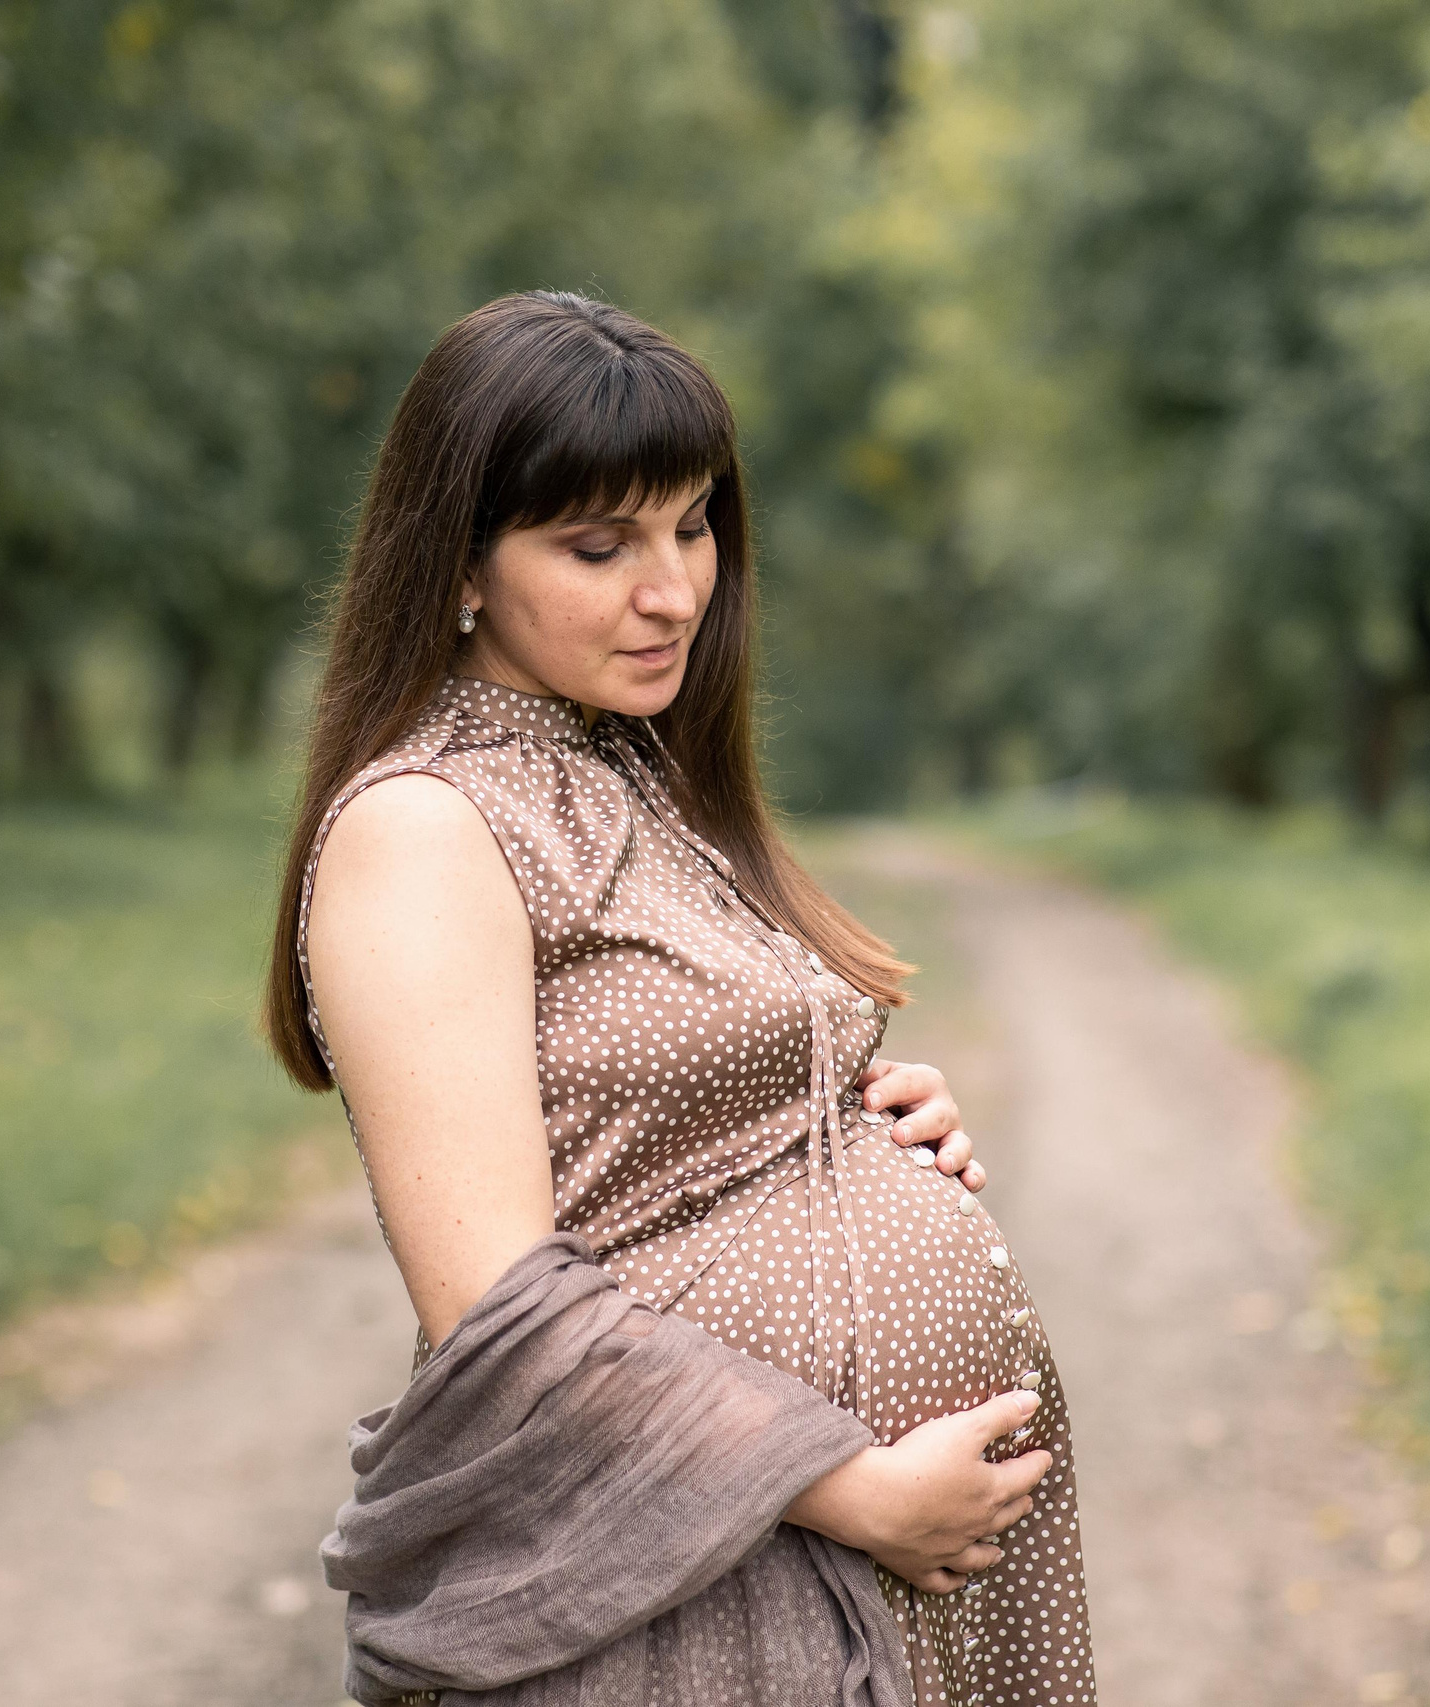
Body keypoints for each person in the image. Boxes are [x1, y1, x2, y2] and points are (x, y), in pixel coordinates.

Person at [264, 290, 1094, 1703]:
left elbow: (663, 1118)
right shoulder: (426, 827)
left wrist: (847, 1121)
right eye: (600, 546)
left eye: (693, 525)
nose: (674, 592)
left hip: (849, 1554)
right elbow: (495, 1310)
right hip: (695, 1577)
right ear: (458, 565)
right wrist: (846, 1485)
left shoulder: (629, 769)